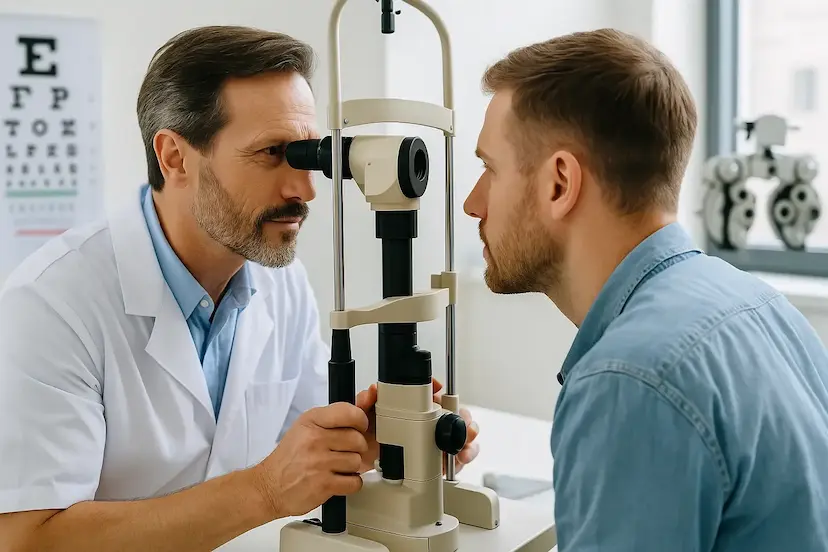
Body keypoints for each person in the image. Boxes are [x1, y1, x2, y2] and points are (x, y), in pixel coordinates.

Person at [0, 26, 479, 550]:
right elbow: (27, 538)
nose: (305, 189)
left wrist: (377, 442)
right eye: (272, 153)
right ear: (174, 157)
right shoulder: (49, 304)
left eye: (307, 153)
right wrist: (264, 492)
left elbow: (309, 444)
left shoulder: (280, 282)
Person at [464, 28, 828, 551]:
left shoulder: (630, 379)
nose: (473, 204)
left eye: (489, 170)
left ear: (559, 183)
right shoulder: (762, 305)